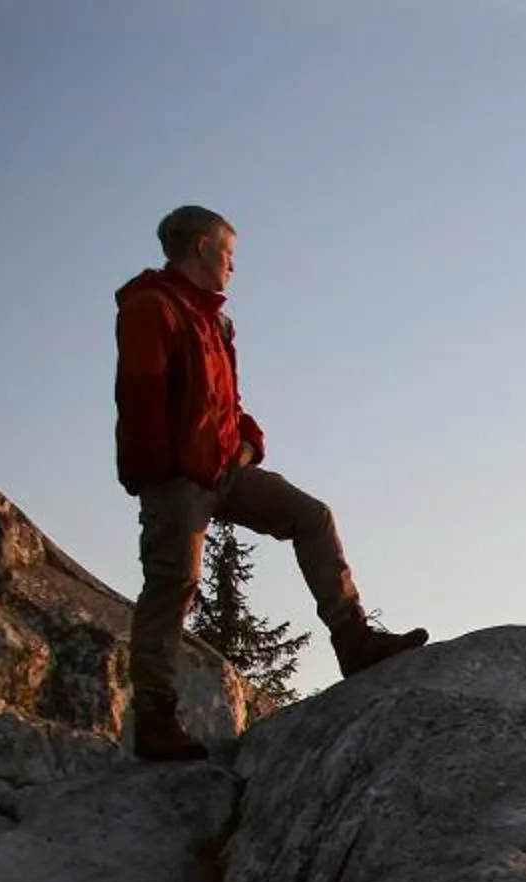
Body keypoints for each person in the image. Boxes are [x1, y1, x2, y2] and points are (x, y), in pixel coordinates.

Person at [114, 205, 426, 761]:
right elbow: (139, 399)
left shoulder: (213, 321)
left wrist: (249, 443)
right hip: (178, 479)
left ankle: (353, 640)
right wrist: (161, 475)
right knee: (173, 586)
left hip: (226, 470)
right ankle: (156, 719)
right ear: (203, 248)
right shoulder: (152, 308)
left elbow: (228, 405)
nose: (234, 266)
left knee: (312, 516)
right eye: (229, 253)